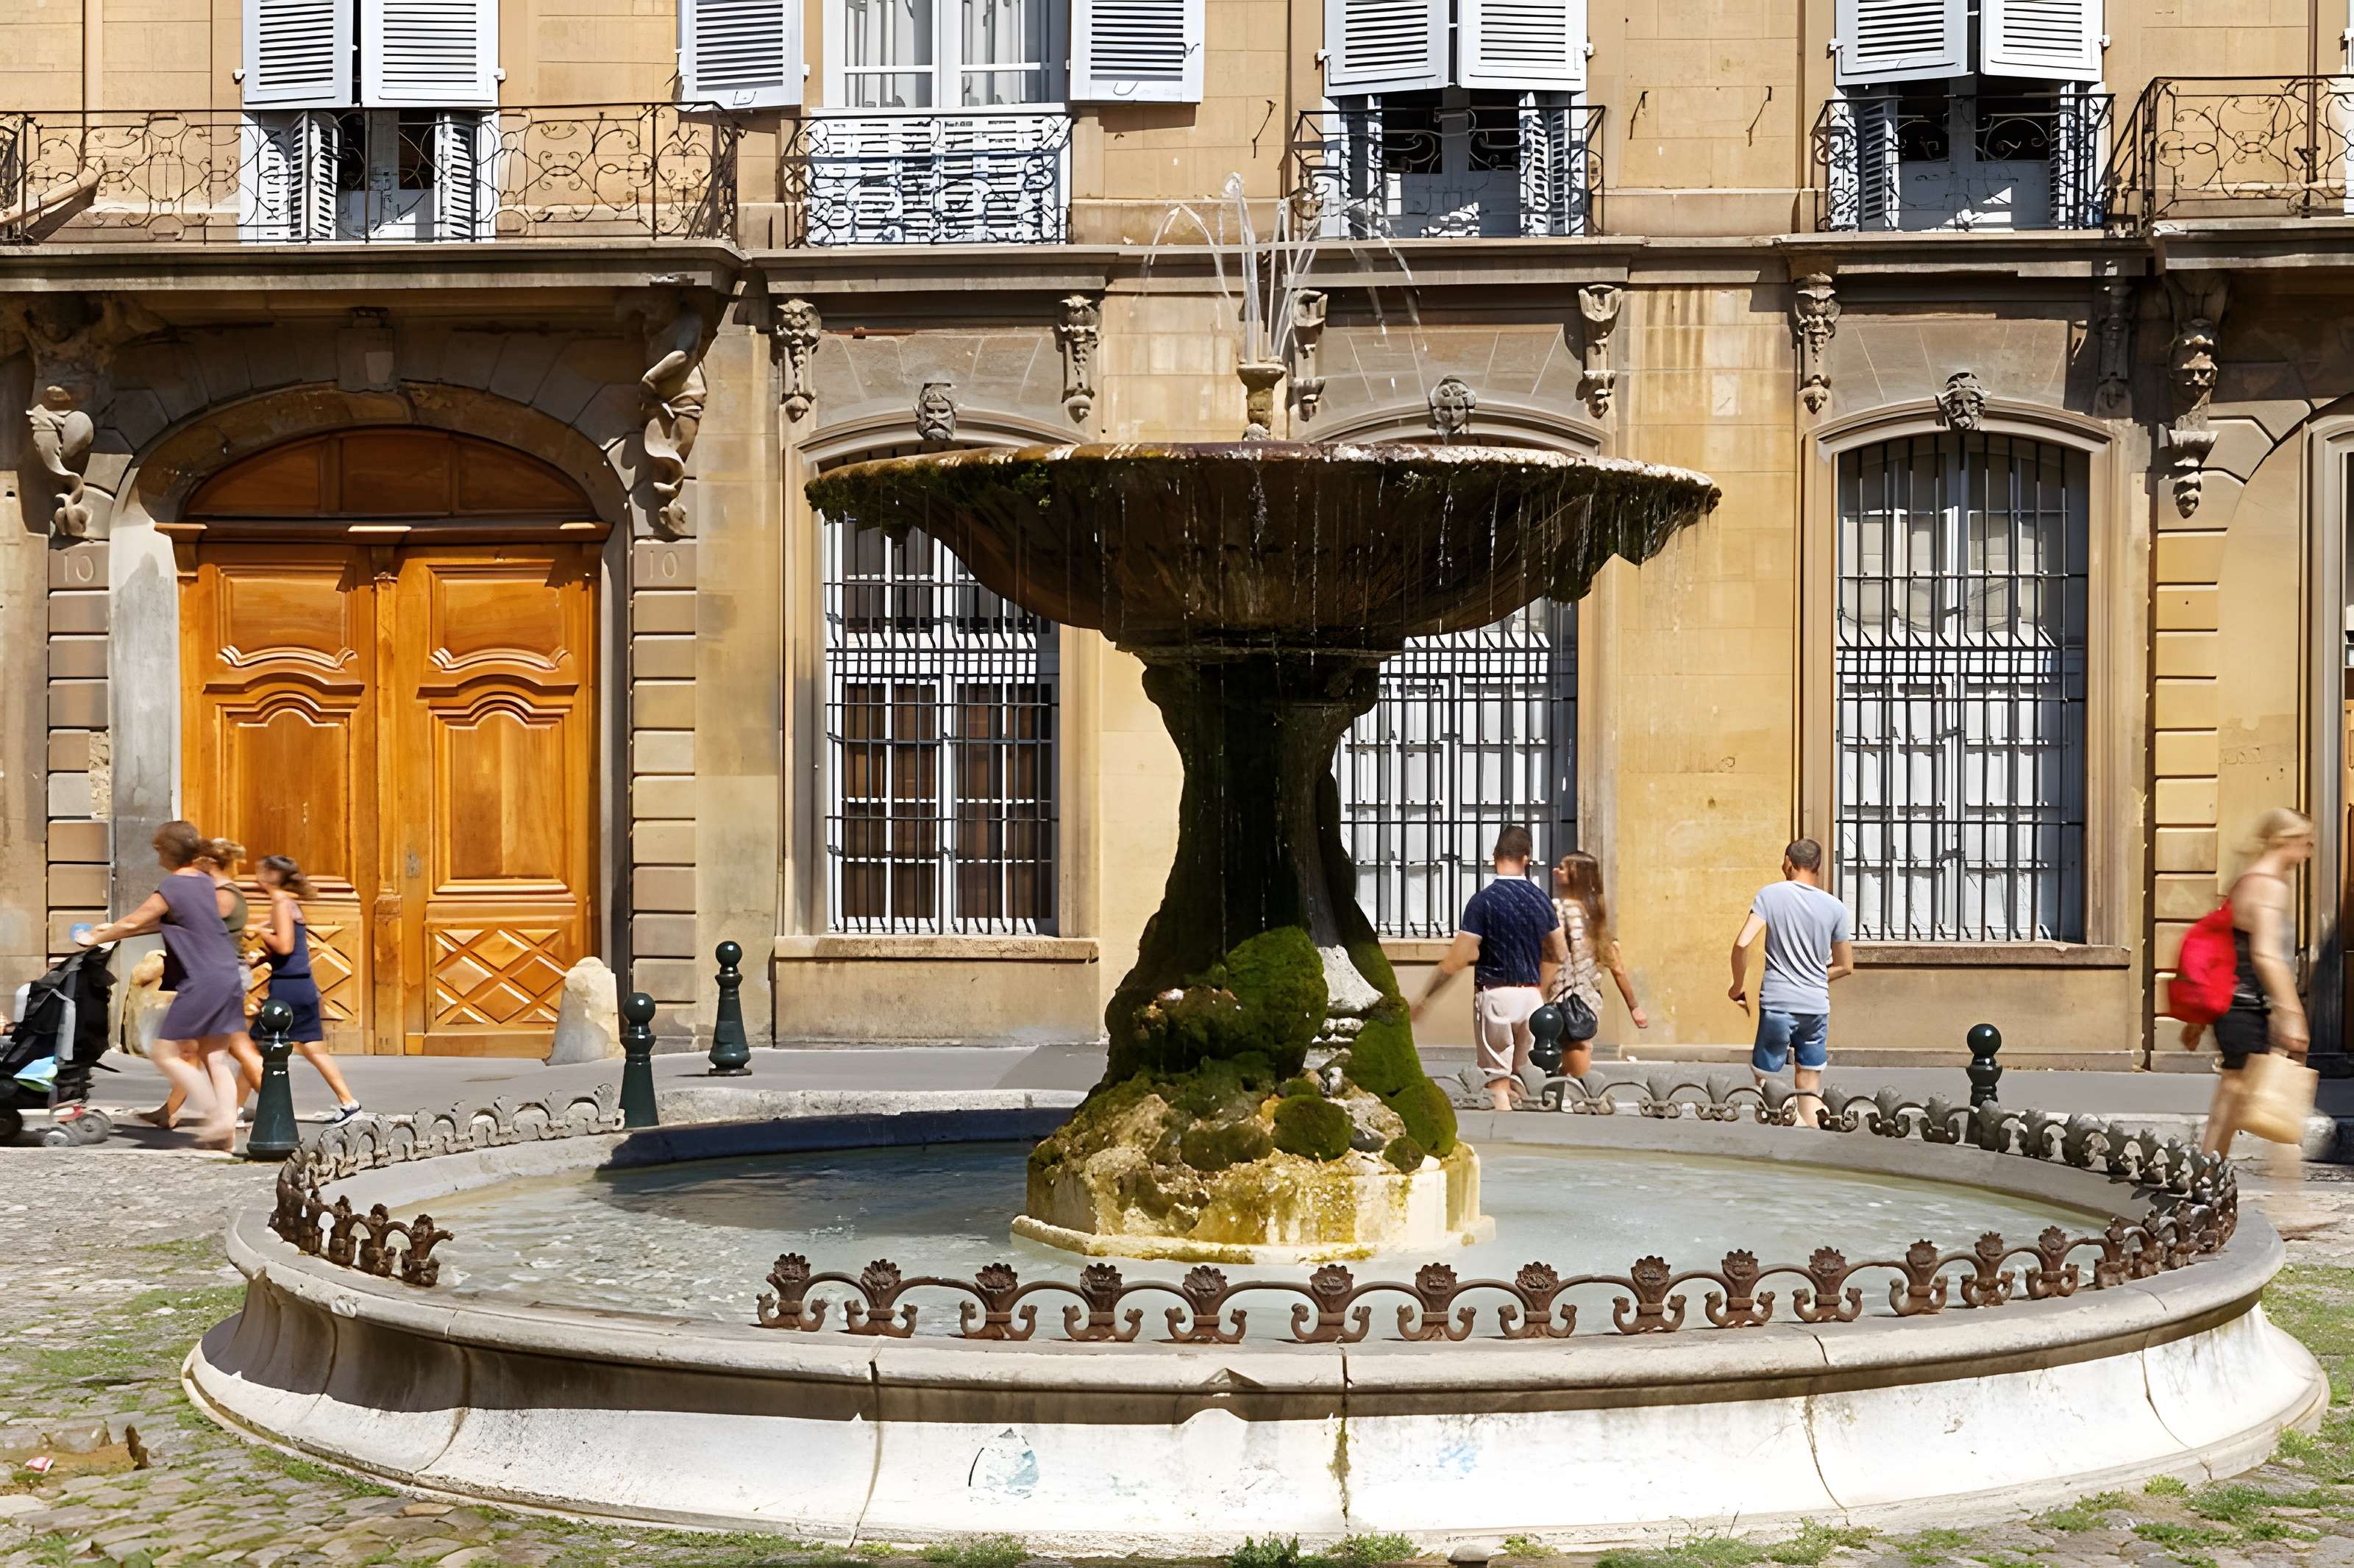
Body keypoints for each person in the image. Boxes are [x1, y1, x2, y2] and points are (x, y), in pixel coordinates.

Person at [78, 822, 248, 1150]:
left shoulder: (174, 886)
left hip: (202, 979)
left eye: (157, 849)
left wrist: (92, 937)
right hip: (227, 974)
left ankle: (213, 1115)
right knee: (215, 1056)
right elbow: (161, 924)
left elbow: (134, 920)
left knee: (164, 1052)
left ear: (164, 851)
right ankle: (225, 1134)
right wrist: (112, 931)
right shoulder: (204, 882)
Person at [1411, 824, 1568, 1111]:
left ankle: (1501, 1137)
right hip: (1532, 998)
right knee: (1524, 1080)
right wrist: (1541, 993)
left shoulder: (1482, 902)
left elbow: (1459, 958)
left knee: (1497, 1083)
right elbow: (1559, 952)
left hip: (1495, 996)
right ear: (1527, 857)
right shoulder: (1541, 901)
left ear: (1494, 855)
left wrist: (1425, 998)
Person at [2186, 808, 2315, 1156]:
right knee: (2236, 1095)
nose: (2308, 853)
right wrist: (2293, 1013)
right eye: (2305, 843)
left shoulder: (2246, 881)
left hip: (2236, 1004)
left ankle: (2208, 1175)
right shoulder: (2269, 887)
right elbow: (2266, 956)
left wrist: (2200, 1018)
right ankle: (2206, 1179)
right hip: (2244, 1006)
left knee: (2233, 1095)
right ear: (2285, 842)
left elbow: (2227, 949)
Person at [1729, 838, 1854, 1130]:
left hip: (1777, 1003)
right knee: (1809, 1082)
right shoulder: (1835, 907)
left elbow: (1742, 943)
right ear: (1818, 867)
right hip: (1815, 1006)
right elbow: (1846, 966)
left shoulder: (1770, 896)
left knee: (1766, 1079)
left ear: (1788, 861)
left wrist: (1737, 986)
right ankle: (1811, 1137)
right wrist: (1812, 976)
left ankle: (1778, 1137)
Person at [143, 837, 263, 1128]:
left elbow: (195, 927)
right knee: (198, 1049)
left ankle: (271, 1110)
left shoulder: (219, 893)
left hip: (216, 975)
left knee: (232, 1049)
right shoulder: (224, 890)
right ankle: (173, 1109)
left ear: (207, 862)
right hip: (221, 972)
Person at [255, 854, 364, 1127]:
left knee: (255, 1047)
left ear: (271, 876)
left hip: (288, 988)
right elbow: (292, 950)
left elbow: (285, 947)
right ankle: (349, 1104)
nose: (256, 875)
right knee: (313, 1049)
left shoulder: (281, 903)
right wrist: (262, 959)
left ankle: (253, 1110)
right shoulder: (286, 903)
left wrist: (259, 932)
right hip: (300, 984)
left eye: (260, 871)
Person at [1550, 849, 1649, 1080]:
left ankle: (1581, 1101)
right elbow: (1616, 964)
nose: (1556, 870)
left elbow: (1551, 957)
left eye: (1563, 868)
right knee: (1575, 1059)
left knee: (1573, 1067)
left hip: (1565, 1000)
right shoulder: (1594, 914)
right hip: (1587, 1002)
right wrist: (1634, 1007)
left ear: (1575, 876)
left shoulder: (1562, 911)